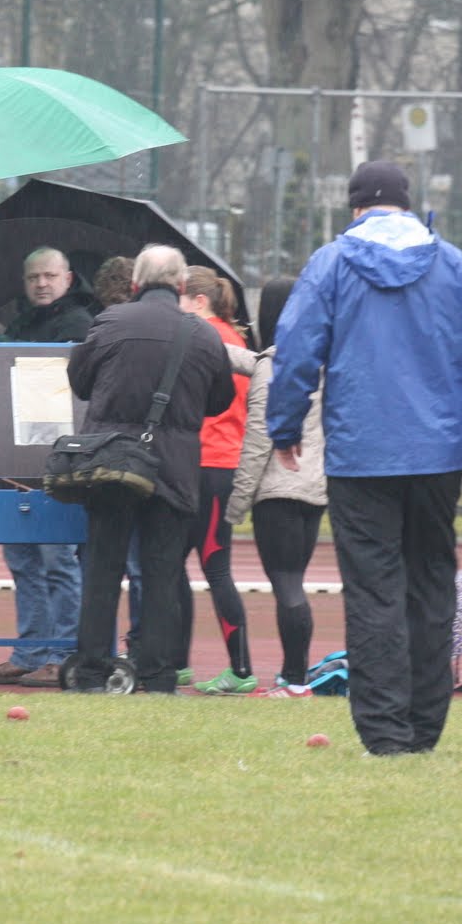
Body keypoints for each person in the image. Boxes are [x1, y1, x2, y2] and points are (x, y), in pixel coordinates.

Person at [269, 160, 462, 754]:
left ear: (355, 207)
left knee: (373, 591)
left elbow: (296, 349)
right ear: (408, 205)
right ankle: (424, 728)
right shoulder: (453, 264)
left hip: (360, 453)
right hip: (437, 453)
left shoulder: (331, 263)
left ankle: (384, 732)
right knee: (431, 587)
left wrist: (284, 426)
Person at [63, 244, 234, 694]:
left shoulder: (109, 323)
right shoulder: (203, 335)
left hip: (111, 461)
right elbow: (219, 400)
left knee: (103, 569)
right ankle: (159, 674)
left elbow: (79, 383)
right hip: (174, 466)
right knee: (163, 574)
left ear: (136, 283)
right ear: (181, 284)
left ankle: (92, 671)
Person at [0, 246, 96, 688]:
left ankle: (61, 654)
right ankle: (29, 652)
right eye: (33, 277)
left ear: (68, 278)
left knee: (57, 559)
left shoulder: (80, 325)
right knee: (22, 558)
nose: (41, 284)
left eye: (49, 276)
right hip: (16, 455)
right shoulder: (19, 326)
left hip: (59, 458)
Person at [227, 275, 326, 689]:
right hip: (314, 488)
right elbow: (253, 361)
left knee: (286, 584)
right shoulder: (319, 361)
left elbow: (258, 442)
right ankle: (294, 673)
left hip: (277, 490)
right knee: (294, 581)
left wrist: (236, 504)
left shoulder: (273, 368)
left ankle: (294, 677)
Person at [178, 266, 257, 694]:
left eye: (178, 299)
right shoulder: (230, 337)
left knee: (213, 565)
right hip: (213, 461)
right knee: (177, 562)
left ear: (199, 301)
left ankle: (241, 670)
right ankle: (176, 661)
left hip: (211, 462)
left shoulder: (208, 338)